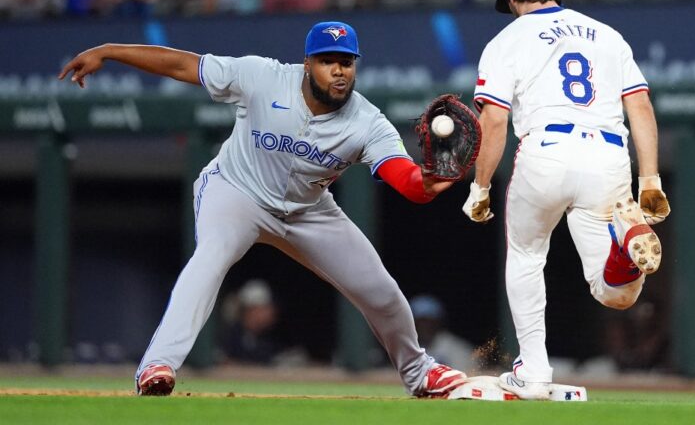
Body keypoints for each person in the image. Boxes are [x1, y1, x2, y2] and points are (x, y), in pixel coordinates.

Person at [58, 20, 469, 398]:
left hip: (308, 211)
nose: (339, 70)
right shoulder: (264, 76)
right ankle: (158, 366)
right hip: (236, 193)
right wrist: (110, 50)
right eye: (328, 61)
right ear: (307, 63)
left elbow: (407, 181)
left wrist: (428, 183)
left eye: (346, 62)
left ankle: (419, 374)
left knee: (381, 291)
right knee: (209, 261)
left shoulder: (367, 121)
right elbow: (185, 66)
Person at [462, 0, 670, 399]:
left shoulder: (507, 40)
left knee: (525, 255)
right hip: (608, 157)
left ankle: (533, 371)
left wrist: (480, 186)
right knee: (616, 295)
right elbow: (640, 105)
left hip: (546, 151)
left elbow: (494, 121)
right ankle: (623, 246)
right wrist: (649, 179)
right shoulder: (607, 35)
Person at [410, 295, 477, 373]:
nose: (424, 326)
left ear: (439, 322)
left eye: (429, 321)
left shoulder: (460, 350)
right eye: (419, 322)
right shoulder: (404, 348)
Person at [222, 279, 281, 364]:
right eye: (264, 308)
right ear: (252, 310)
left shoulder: (265, 337)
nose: (270, 312)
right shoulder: (231, 335)